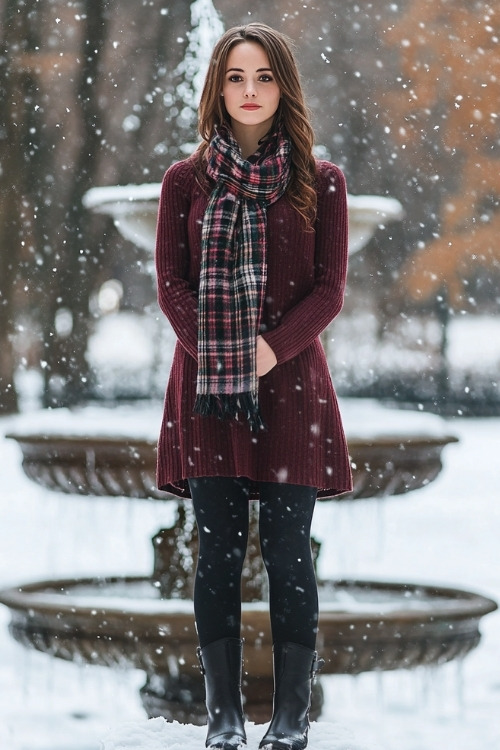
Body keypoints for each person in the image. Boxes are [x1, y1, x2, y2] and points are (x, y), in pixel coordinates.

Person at [155, 22, 352, 750]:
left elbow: (330, 289)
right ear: (218, 86)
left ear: (283, 86)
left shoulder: (320, 182)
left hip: (292, 386)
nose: (249, 91)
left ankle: (292, 718)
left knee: (289, 548)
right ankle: (225, 718)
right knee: (217, 551)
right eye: (236, 76)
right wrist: (223, 351)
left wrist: (269, 350)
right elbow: (172, 283)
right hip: (210, 392)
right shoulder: (185, 181)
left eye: (264, 76)